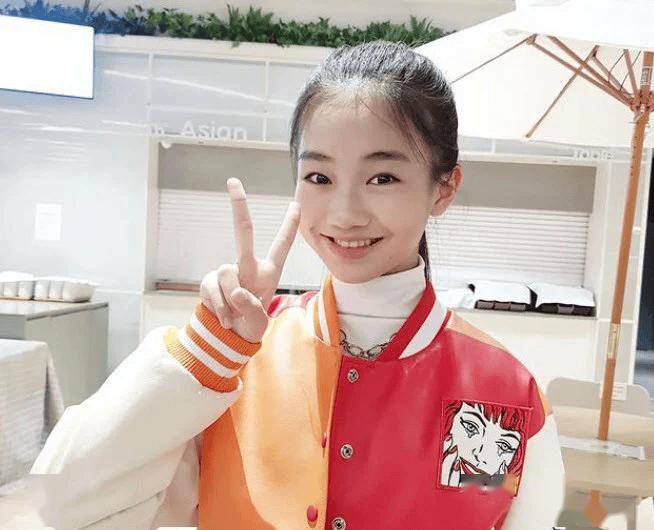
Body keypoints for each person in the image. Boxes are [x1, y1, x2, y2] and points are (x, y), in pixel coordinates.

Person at [29, 40, 564, 529]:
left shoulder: (502, 395)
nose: (345, 213)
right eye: (319, 177)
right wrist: (206, 352)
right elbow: (65, 502)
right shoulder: (235, 359)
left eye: (382, 177)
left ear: (443, 188)